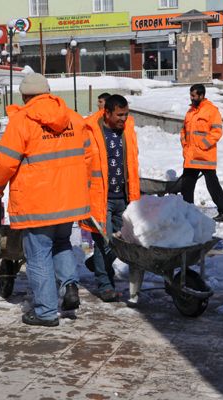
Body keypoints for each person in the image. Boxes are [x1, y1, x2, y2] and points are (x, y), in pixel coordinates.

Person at [0, 73, 92, 327]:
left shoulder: (22, 121)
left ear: (25, 97)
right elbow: (88, 155)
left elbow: (5, 160)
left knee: (38, 255)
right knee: (61, 243)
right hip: (69, 199)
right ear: (48, 91)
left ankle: (45, 312)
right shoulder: (73, 118)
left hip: (36, 202)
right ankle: (69, 287)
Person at [79, 95, 140, 302]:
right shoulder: (89, 130)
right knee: (103, 241)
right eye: (119, 115)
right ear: (107, 113)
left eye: (126, 114)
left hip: (124, 196)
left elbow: (132, 161)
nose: (124, 118)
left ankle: (97, 265)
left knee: (121, 242)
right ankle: (105, 284)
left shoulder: (128, 128)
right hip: (99, 197)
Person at [180, 84, 223, 222]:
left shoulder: (211, 110)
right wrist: (185, 145)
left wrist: (203, 145)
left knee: (212, 185)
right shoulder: (190, 112)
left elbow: (217, 131)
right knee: (187, 186)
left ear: (201, 95)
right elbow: (184, 130)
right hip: (191, 156)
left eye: (194, 95)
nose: (191, 98)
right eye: (191, 95)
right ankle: (187, 211)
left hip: (205, 155)